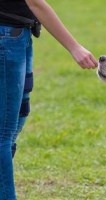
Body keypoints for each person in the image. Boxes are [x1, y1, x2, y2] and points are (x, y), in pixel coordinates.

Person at [0, 0, 98, 199]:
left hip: (19, 35)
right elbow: (36, 3)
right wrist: (74, 47)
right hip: (6, 39)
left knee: (18, 119)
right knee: (2, 135)